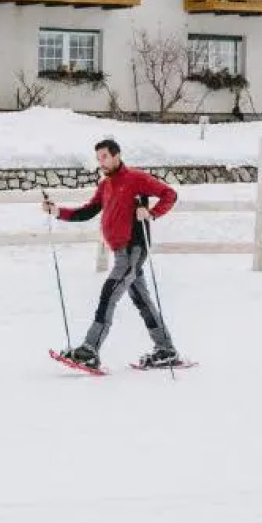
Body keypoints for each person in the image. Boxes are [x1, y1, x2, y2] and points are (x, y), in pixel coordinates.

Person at [43, 138, 183, 370]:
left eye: (105, 157)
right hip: (121, 251)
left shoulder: (136, 178)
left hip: (132, 249)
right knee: (142, 300)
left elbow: (170, 194)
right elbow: (87, 211)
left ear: (117, 155)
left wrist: (151, 213)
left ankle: (90, 349)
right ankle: (166, 349)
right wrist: (57, 212)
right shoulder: (105, 185)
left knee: (109, 293)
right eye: (98, 158)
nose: (101, 162)